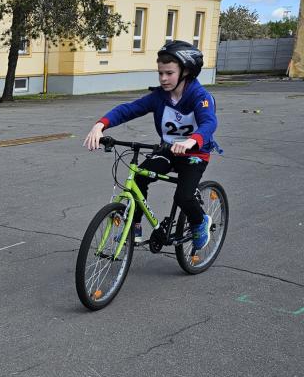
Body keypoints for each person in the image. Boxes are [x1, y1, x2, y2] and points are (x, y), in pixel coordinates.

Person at [83, 41, 219, 250]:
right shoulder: (159, 97)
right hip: (168, 151)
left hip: (195, 154)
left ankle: (200, 222)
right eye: (160, 73)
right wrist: (100, 125)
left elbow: (209, 122)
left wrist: (192, 140)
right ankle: (135, 227)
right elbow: (129, 109)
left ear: (186, 72)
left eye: (169, 73)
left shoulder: (200, 97)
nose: (163, 78)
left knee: (183, 196)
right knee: (139, 177)